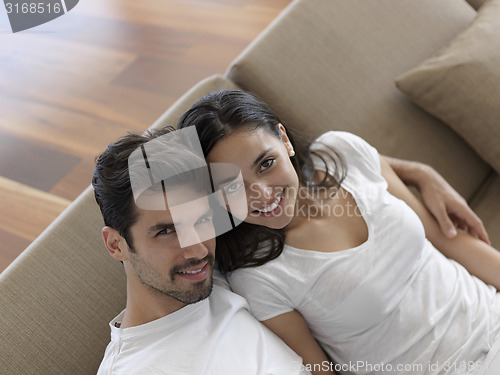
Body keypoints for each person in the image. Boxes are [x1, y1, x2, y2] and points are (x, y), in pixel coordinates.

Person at [177, 90, 500, 375]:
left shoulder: (343, 152)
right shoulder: (258, 278)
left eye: (265, 164)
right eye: (232, 187)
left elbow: (446, 240)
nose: (261, 194)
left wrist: (421, 172)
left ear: (284, 139)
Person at [92, 126, 312, 375]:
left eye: (202, 221)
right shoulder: (135, 368)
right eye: (166, 232)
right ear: (115, 244)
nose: (197, 250)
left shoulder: (221, 279)